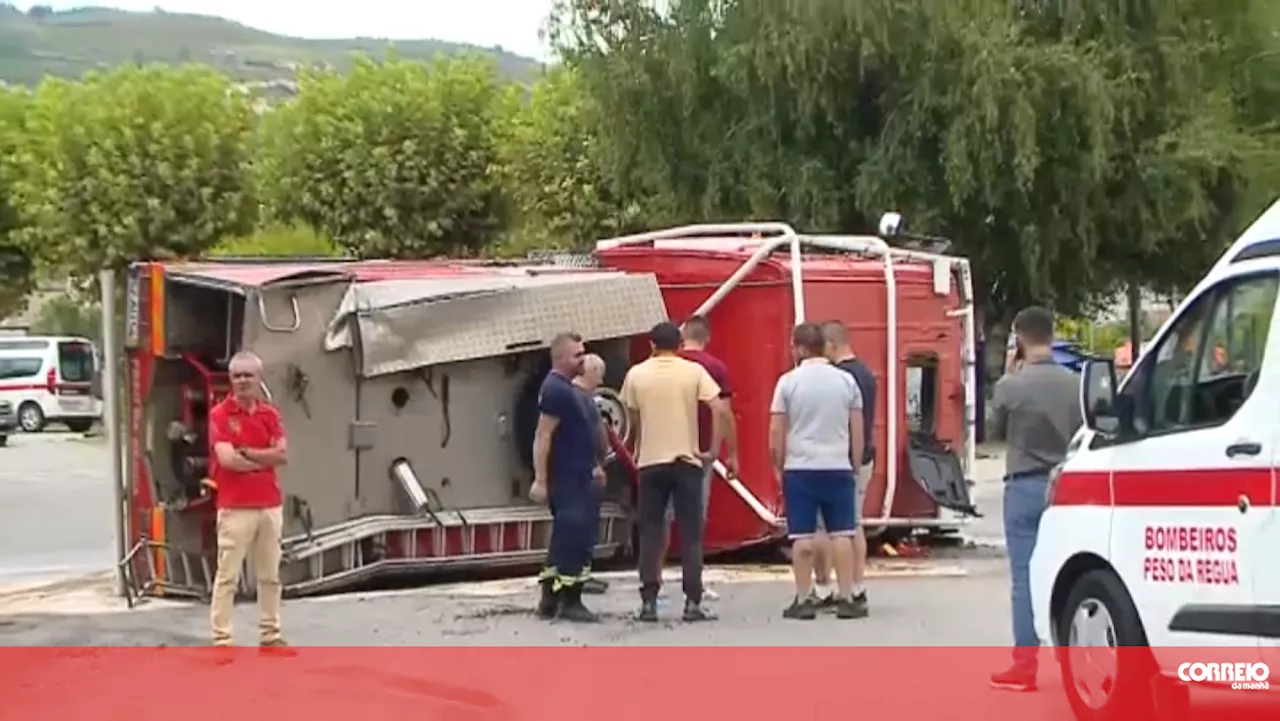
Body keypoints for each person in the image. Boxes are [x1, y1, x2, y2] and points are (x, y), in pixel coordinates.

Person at [987, 306, 1082, 691]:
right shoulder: (1075, 383)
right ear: (1053, 334)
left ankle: (1025, 664)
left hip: (1024, 484)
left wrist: (1011, 372)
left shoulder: (1012, 385)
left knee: (1024, 575)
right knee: (1073, 571)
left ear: (1019, 338)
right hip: (1067, 483)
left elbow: (993, 431)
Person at [622, 321, 731, 623]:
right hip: (687, 462)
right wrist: (711, 449)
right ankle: (692, 603)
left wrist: (636, 446)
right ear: (680, 344)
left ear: (652, 345)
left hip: (650, 463)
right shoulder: (693, 372)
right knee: (691, 534)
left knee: (651, 532)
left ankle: (648, 603)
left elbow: (631, 416)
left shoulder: (636, 374)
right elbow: (720, 408)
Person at [769, 323, 864, 620]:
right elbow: (857, 429)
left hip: (800, 467)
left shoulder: (787, 382)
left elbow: (776, 430)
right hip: (837, 465)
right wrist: (855, 463)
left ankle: (803, 597)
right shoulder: (847, 382)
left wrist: (778, 464)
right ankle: (848, 596)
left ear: (799, 348)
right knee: (842, 533)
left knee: (802, 536)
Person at [648, 315, 739, 603]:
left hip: (658, 450)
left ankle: (654, 578)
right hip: (697, 453)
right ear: (707, 337)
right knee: (693, 521)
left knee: (659, 519)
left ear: (682, 335)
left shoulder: (657, 367)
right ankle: (694, 586)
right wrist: (722, 451)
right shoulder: (714, 368)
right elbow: (723, 413)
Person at [208, 350, 291, 649]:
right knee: (227, 575)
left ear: (259, 378)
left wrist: (250, 454)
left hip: (269, 506)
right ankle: (222, 639)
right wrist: (265, 459)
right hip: (234, 507)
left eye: (248, 375)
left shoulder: (271, 414)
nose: (242, 381)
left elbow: (283, 455)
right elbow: (228, 460)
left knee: (270, 576)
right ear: (230, 380)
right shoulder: (219, 415)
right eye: (237, 376)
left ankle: (270, 636)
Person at [530, 332, 600, 623]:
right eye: (577, 355)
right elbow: (543, 436)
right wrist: (541, 479)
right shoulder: (556, 390)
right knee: (574, 538)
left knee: (562, 540)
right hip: (569, 479)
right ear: (560, 359)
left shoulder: (564, 388)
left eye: (583, 353)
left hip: (576, 475)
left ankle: (549, 600)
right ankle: (570, 601)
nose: (583, 359)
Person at [807, 320, 874, 616]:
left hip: (837, 458)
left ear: (832, 345)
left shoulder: (839, 377)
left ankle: (824, 586)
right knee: (854, 524)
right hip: (863, 457)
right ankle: (857, 585)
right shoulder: (866, 374)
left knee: (827, 527)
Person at [572, 353, 612, 595]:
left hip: (584, 470)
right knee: (584, 524)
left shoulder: (579, 397)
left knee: (585, 524)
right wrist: (595, 464)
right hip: (586, 472)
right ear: (592, 373)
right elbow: (588, 436)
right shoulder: (582, 400)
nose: (601, 380)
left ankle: (582, 573)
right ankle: (580, 575)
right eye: (599, 374)